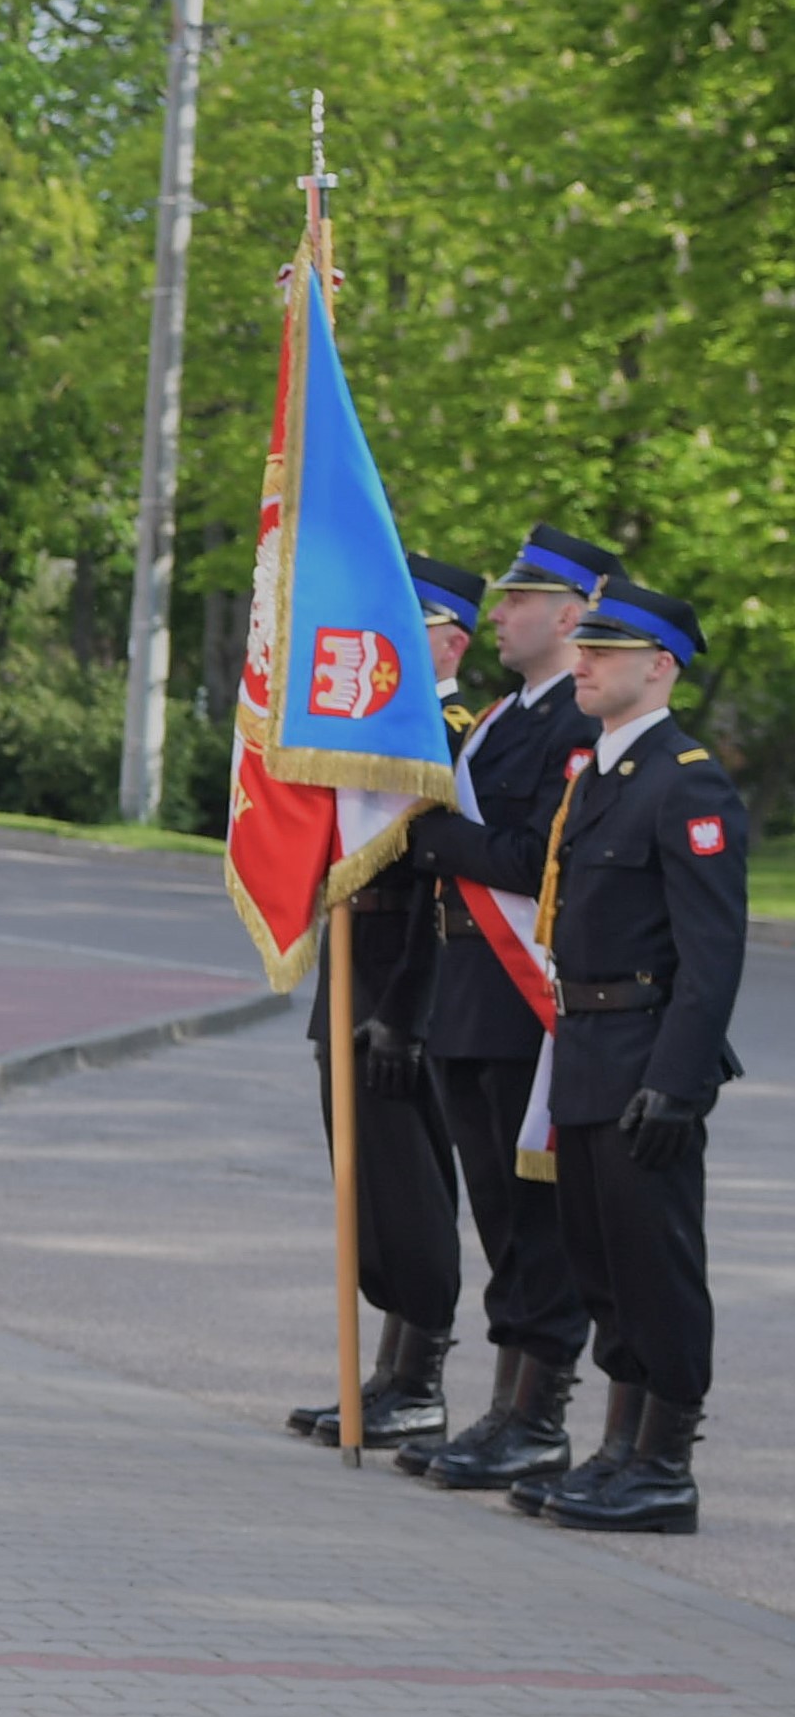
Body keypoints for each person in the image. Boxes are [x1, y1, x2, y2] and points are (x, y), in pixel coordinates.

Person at [504, 576, 746, 1534]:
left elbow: (711, 955)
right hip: (586, 1048)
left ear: (661, 667)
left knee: (657, 1264)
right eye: (586, 647)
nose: (585, 662)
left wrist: (678, 1085)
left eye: (606, 651)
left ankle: (665, 1467)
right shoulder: (600, 776)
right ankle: (618, 1450)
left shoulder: (687, 781)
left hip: (646, 1056)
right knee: (602, 1263)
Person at [392, 528, 607, 1490]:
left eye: (520, 601)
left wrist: (436, 841)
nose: (501, 615)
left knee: (536, 1218)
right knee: (497, 1214)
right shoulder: (496, 722)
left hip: (522, 1000)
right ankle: (504, 1409)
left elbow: (532, 860)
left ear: (570, 617)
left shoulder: (574, 724)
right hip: (466, 991)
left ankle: (538, 1415)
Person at [284, 552, 481, 1451]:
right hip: (353, 959)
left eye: (413, 624)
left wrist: (408, 1007)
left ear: (452, 642)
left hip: (408, 972)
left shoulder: (455, 736)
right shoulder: (368, 731)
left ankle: (421, 1380)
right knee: (364, 1184)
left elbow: (450, 887)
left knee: (410, 1183)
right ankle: (388, 1374)